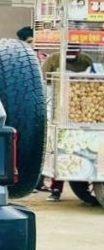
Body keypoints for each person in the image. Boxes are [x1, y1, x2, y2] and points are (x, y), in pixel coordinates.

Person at [41, 47, 94, 200]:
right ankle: (56, 190)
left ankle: (83, 187)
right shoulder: (54, 59)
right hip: (59, 107)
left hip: (81, 106)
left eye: (74, 52)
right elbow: (45, 81)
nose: (71, 55)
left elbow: (90, 80)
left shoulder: (85, 60)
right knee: (62, 153)